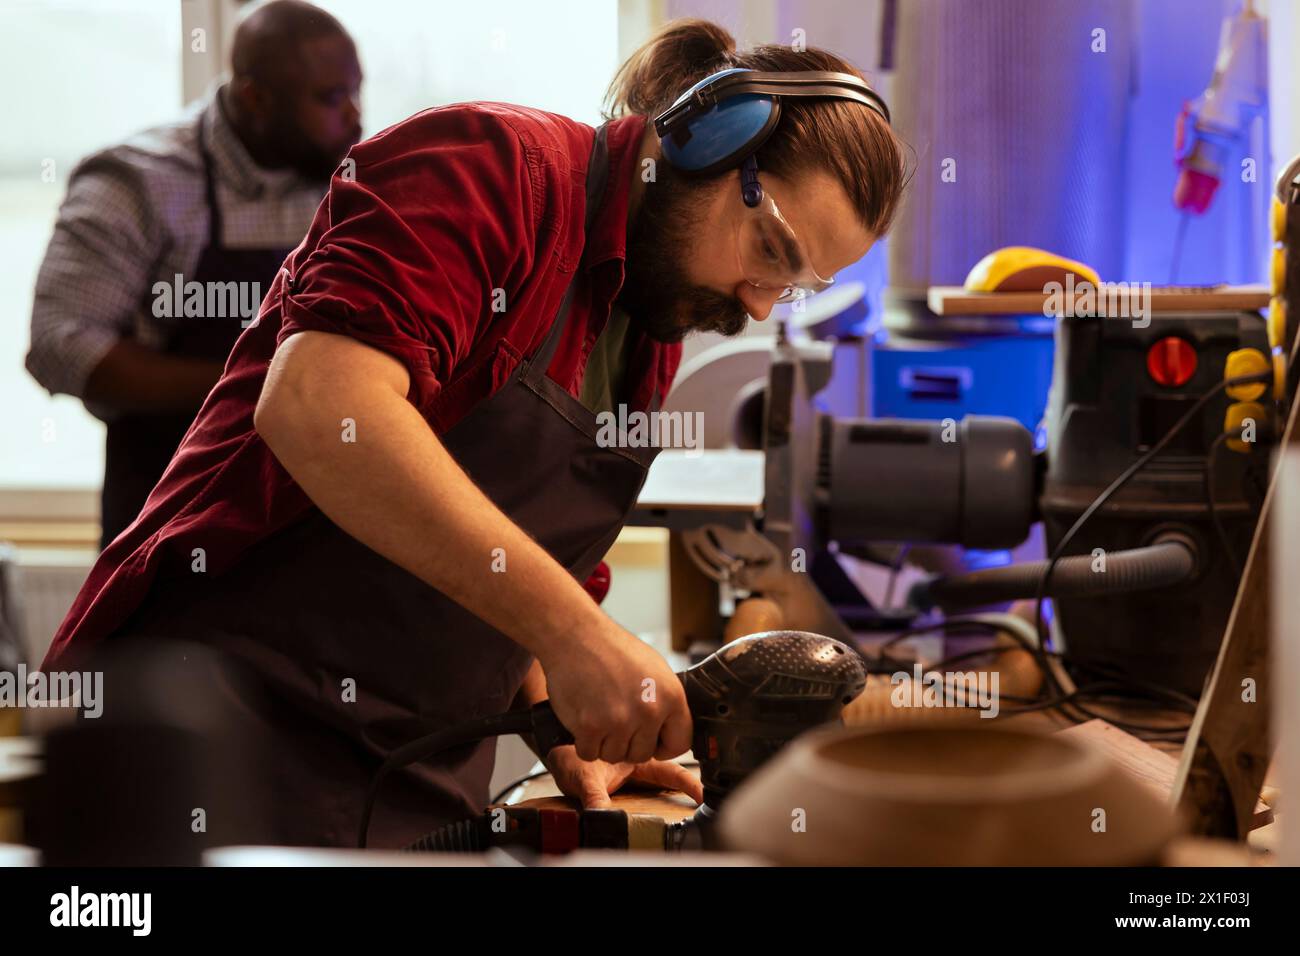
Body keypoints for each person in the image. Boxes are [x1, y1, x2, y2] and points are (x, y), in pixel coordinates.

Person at [41, 18, 908, 848]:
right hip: (220, 733)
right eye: (773, 249)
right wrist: (578, 636)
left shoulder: (646, 321)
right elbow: (318, 407)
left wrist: (557, 713)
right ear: (706, 138)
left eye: (794, 287)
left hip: (415, 773)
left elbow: (504, 546)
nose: (761, 302)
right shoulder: (488, 168)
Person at [26, 0, 362, 549]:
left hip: (308, 532)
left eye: (355, 91)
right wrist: (259, 389)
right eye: (329, 98)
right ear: (256, 97)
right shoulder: (138, 182)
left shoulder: (344, 179)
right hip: (169, 528)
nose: (353, 115)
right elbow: (60, 343)